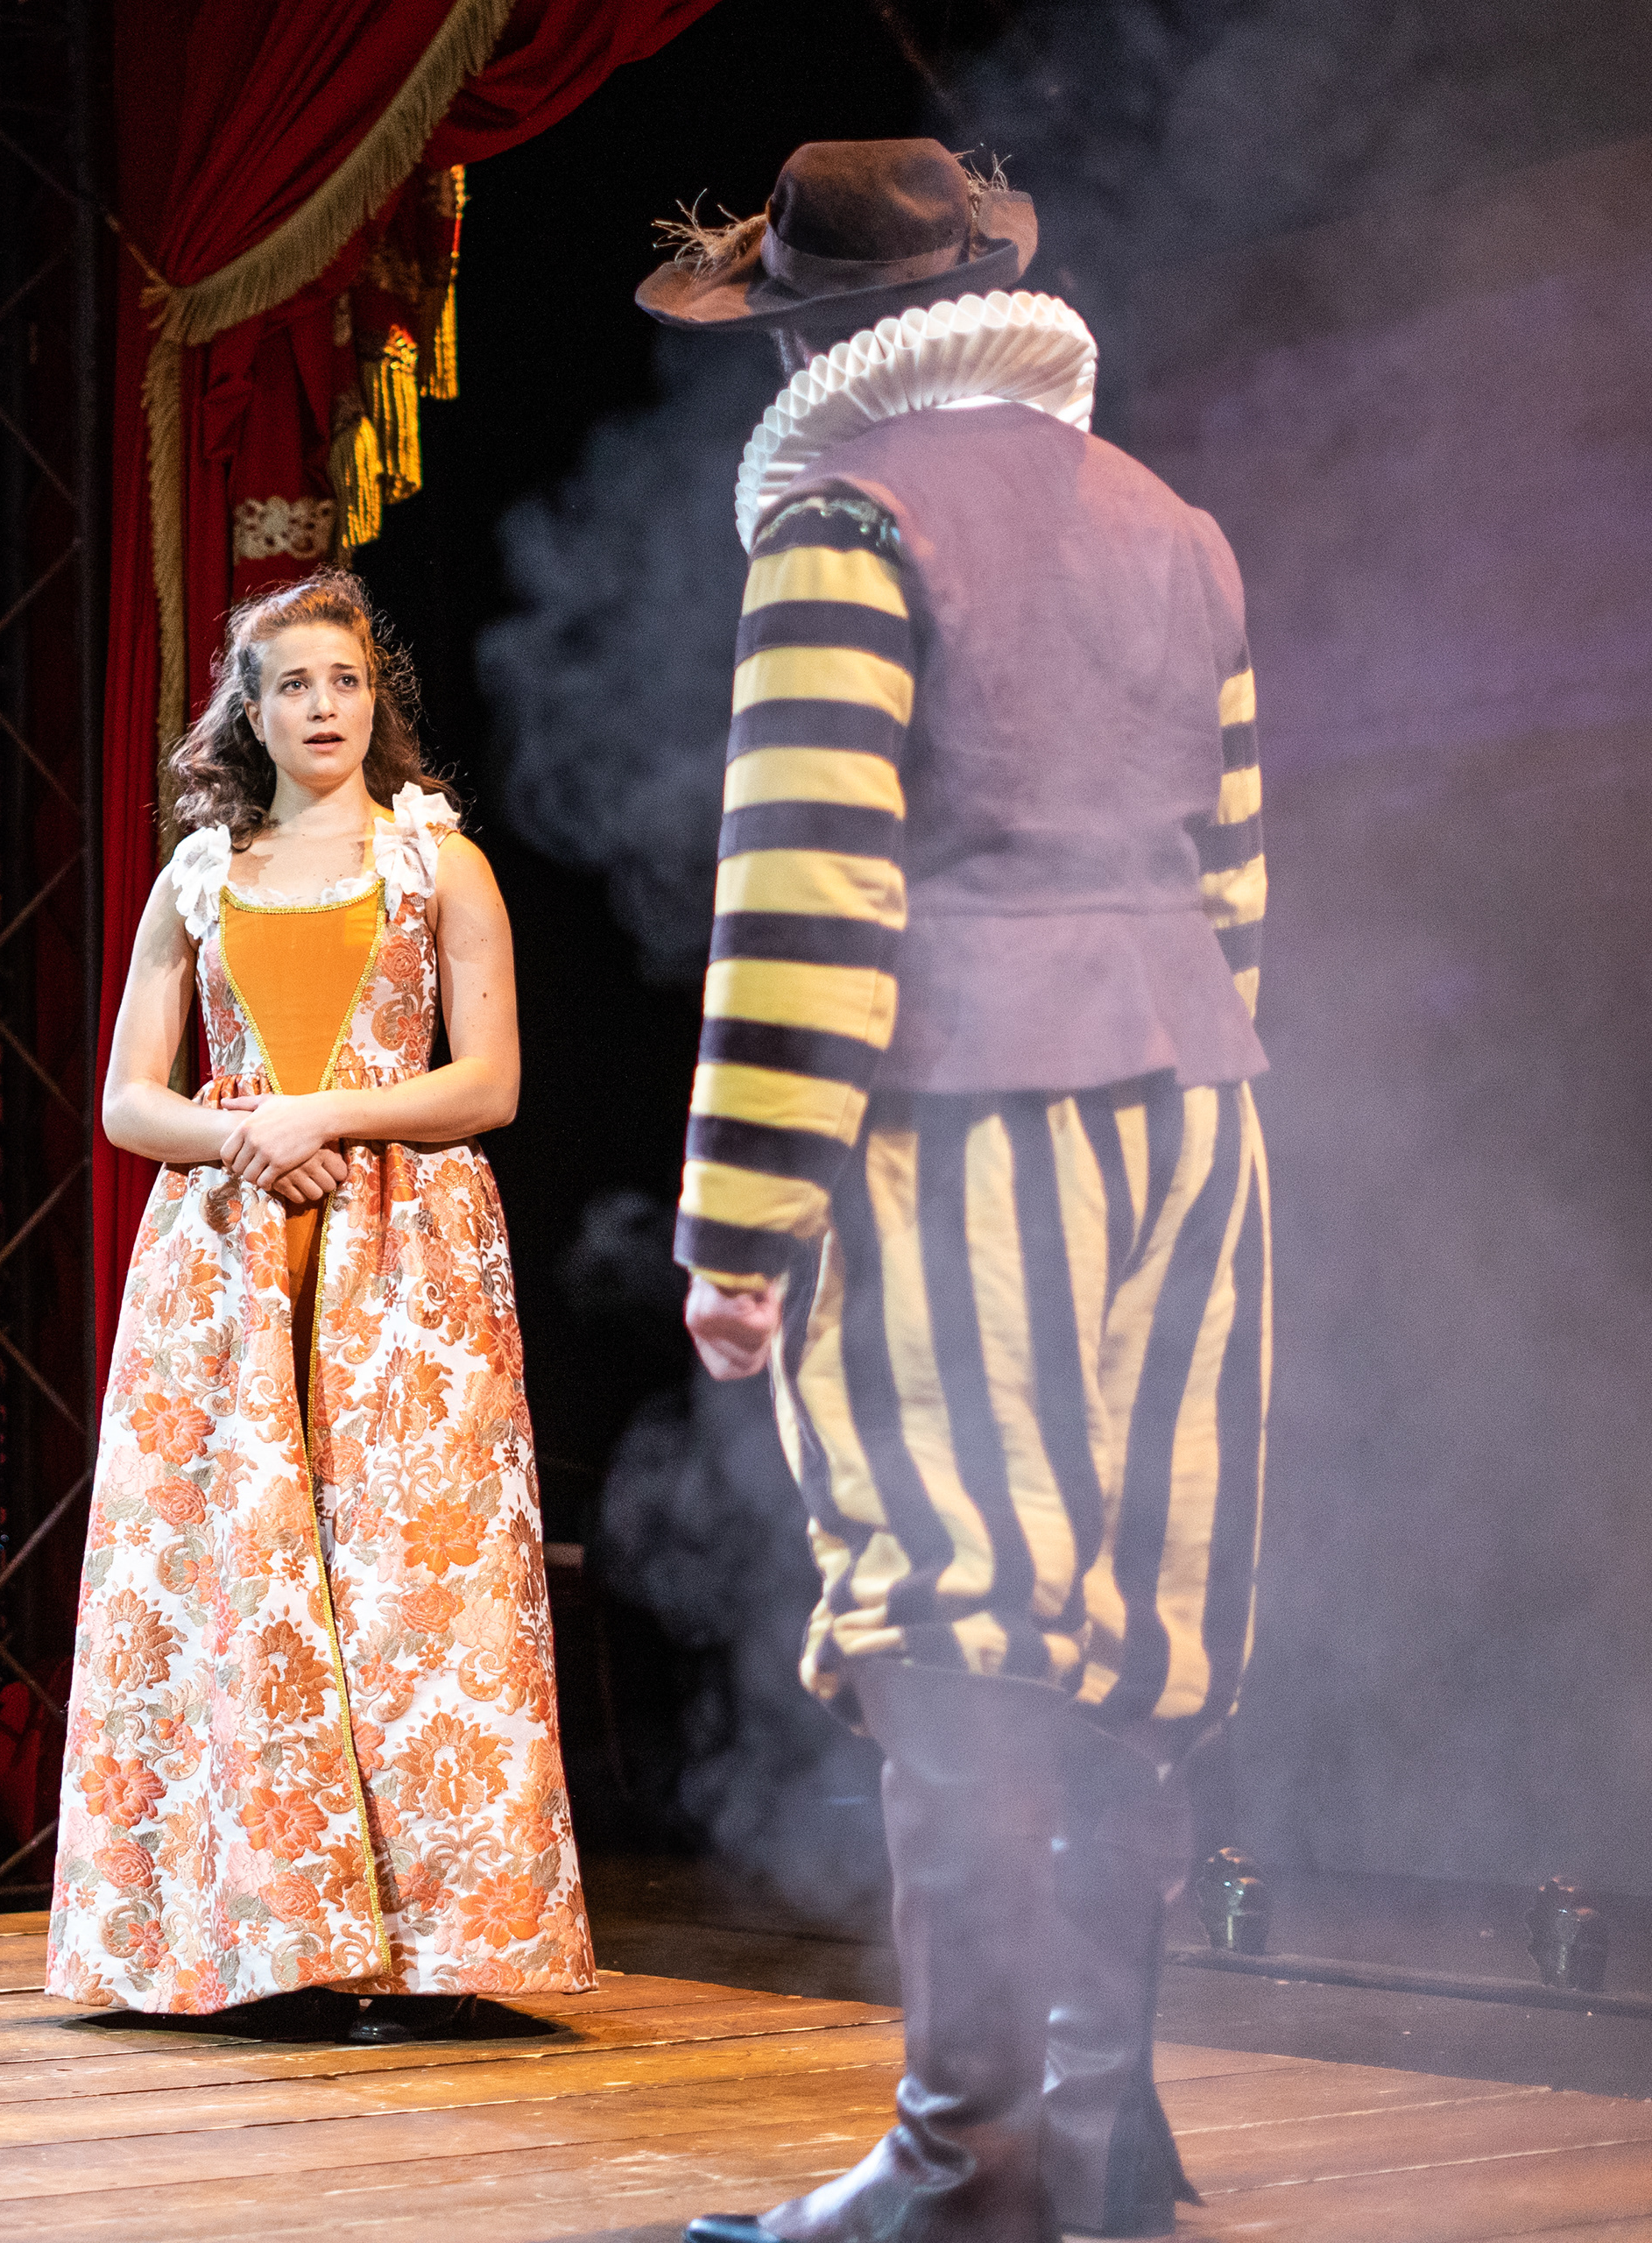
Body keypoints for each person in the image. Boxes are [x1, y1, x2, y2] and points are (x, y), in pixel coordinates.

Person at [640, 142, 1271, 2243]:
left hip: (966, 1109)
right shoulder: (1176, 525)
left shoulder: (849, 517)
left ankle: (965, 2156)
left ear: (816, 341)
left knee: (963, 1625)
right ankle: (1099, 2132)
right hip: (1197, 1117)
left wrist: (741, 1227)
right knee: (1126, 1621)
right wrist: (1201, 1091)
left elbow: (807, 895)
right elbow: (1235, 884)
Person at [45, 574, 594, 2038]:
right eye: (292, 684)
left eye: (345, 680)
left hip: (405, 1259)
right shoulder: (200, 875)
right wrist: (248, 1137)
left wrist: (324, 1114)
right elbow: (128, 1101)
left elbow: (489, 1083)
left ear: (376, 698)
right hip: (229, 1262)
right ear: (252, 710)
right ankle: (261, 1942)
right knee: (236, 1588)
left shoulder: (440, 865)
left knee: (420, 1593)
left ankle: (441, 1950)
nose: (323, 706)